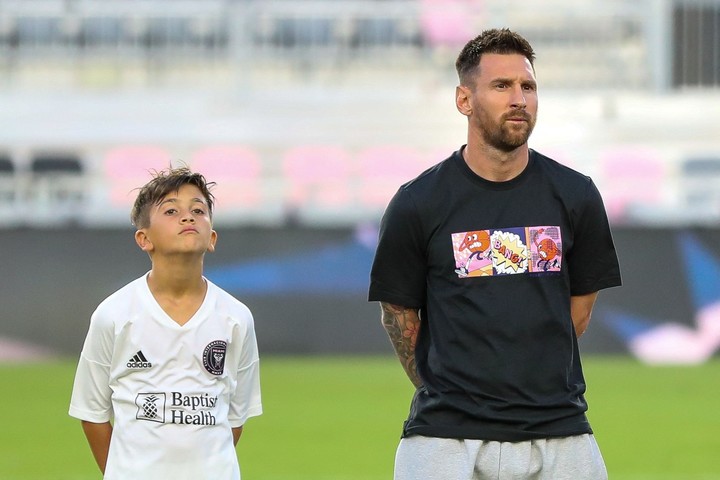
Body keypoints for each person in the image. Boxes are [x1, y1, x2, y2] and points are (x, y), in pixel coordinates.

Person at [368, 28, 621, 479]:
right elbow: (399, 315)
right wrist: (453, 394)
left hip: (560, 434)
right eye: (502, 86)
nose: (519, 98)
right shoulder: (417, 203)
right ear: (464, 100)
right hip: (444, 440)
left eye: (528, 86)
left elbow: (577, 315)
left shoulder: (576, 195)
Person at [69, 167, 262, 479]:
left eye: (198, 210)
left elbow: (235, 418)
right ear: (144, 239)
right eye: (171, 210)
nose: (188, 217)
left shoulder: (236, 317)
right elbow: (92, 414)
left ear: (212, 237)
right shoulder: (114, 314)